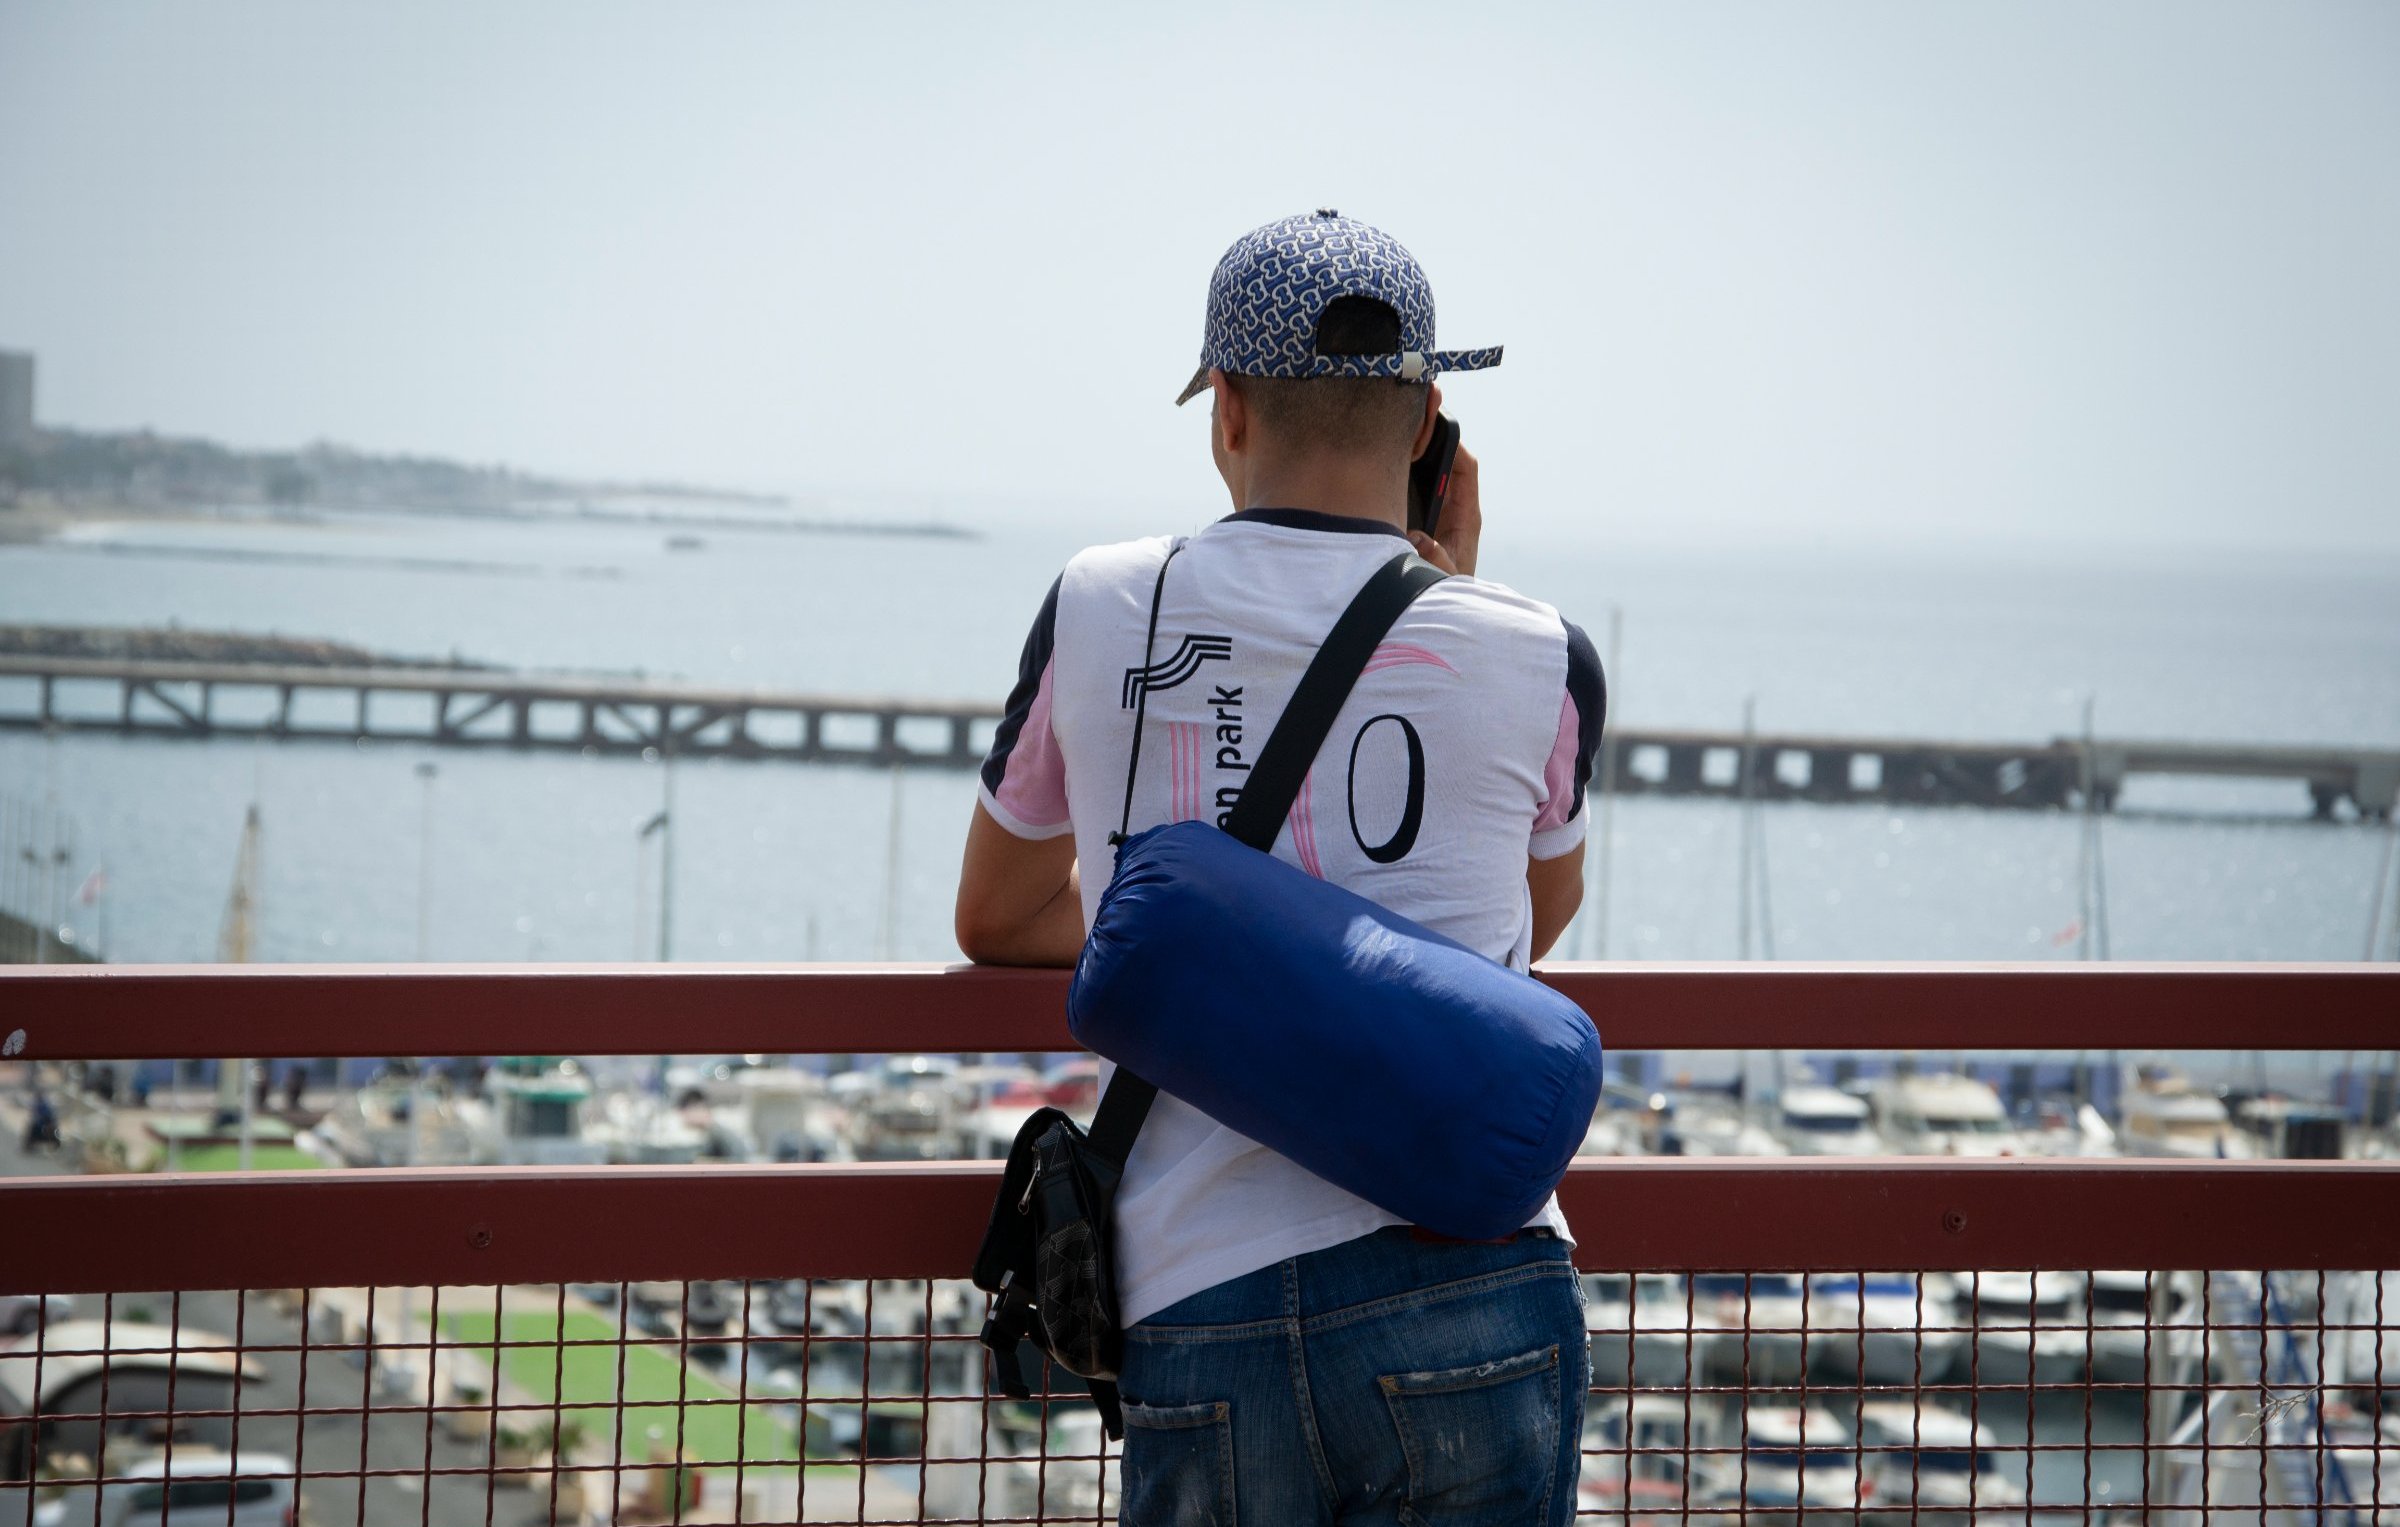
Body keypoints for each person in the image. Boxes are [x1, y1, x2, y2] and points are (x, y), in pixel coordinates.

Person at [955, 210, 1605, 1526]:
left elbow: (1000, 913)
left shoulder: (1094, 599)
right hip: (1475, 1269)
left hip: (1204, 1283)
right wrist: (1451, 592)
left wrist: (1187, 921)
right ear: (1428, 427)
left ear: (1227, 411)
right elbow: (1532, 919)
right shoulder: (1543, 648)